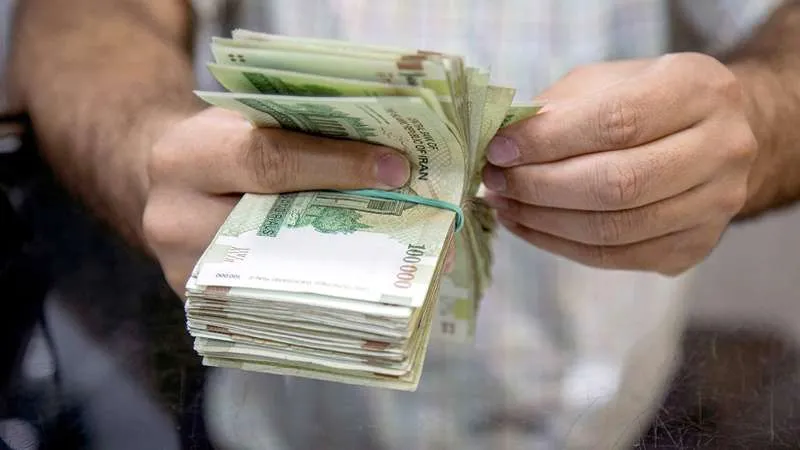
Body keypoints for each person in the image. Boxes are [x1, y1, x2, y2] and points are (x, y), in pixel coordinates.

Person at [6, 0, 800, 448]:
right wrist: (147, 147)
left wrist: (760, 118)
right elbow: (85, 16)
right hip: (275, 425)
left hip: (608, 423)